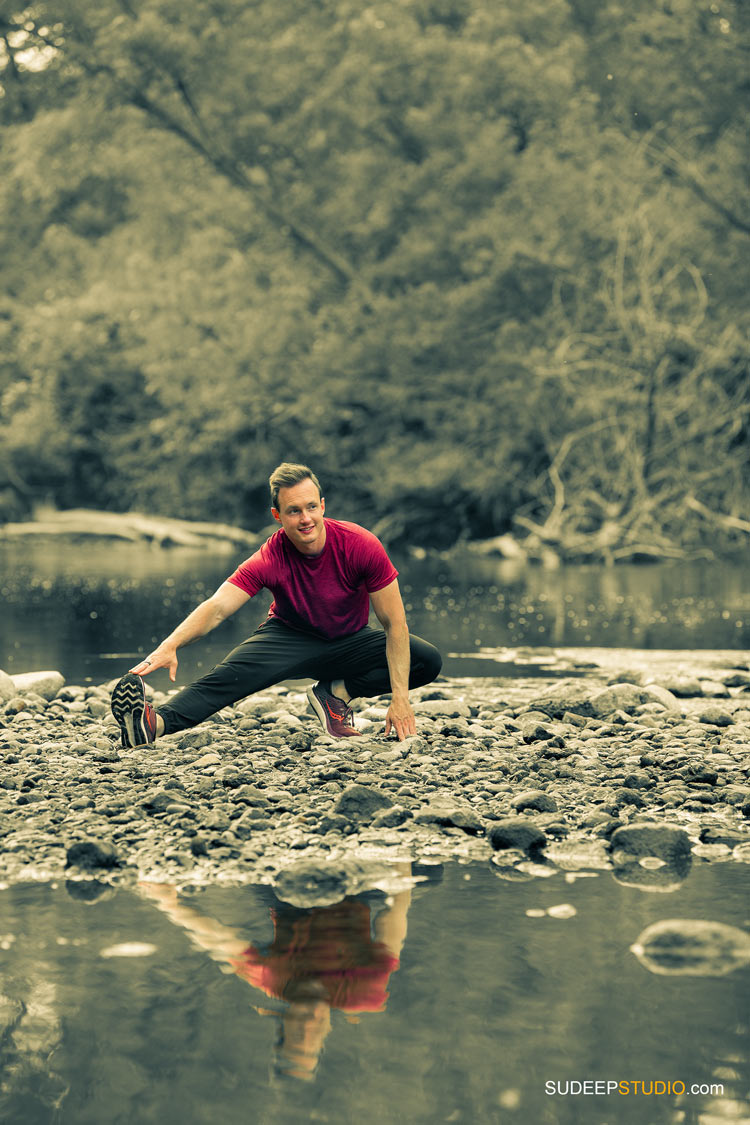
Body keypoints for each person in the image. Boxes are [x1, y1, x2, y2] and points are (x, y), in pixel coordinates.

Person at [110, 462, 441, 747]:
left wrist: (401, 700)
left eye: (311, 507)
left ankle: (334, 694)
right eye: (294, 511)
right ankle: (155, 724)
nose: (305, 518)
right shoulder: (270, 557)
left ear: (323, 506)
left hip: (351, 641)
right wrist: (171, 645)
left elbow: (395, 625)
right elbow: (218, 608)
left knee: (426, 660)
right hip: (289, 636)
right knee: (227, 678)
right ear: (277, 515)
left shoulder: (361, 546)